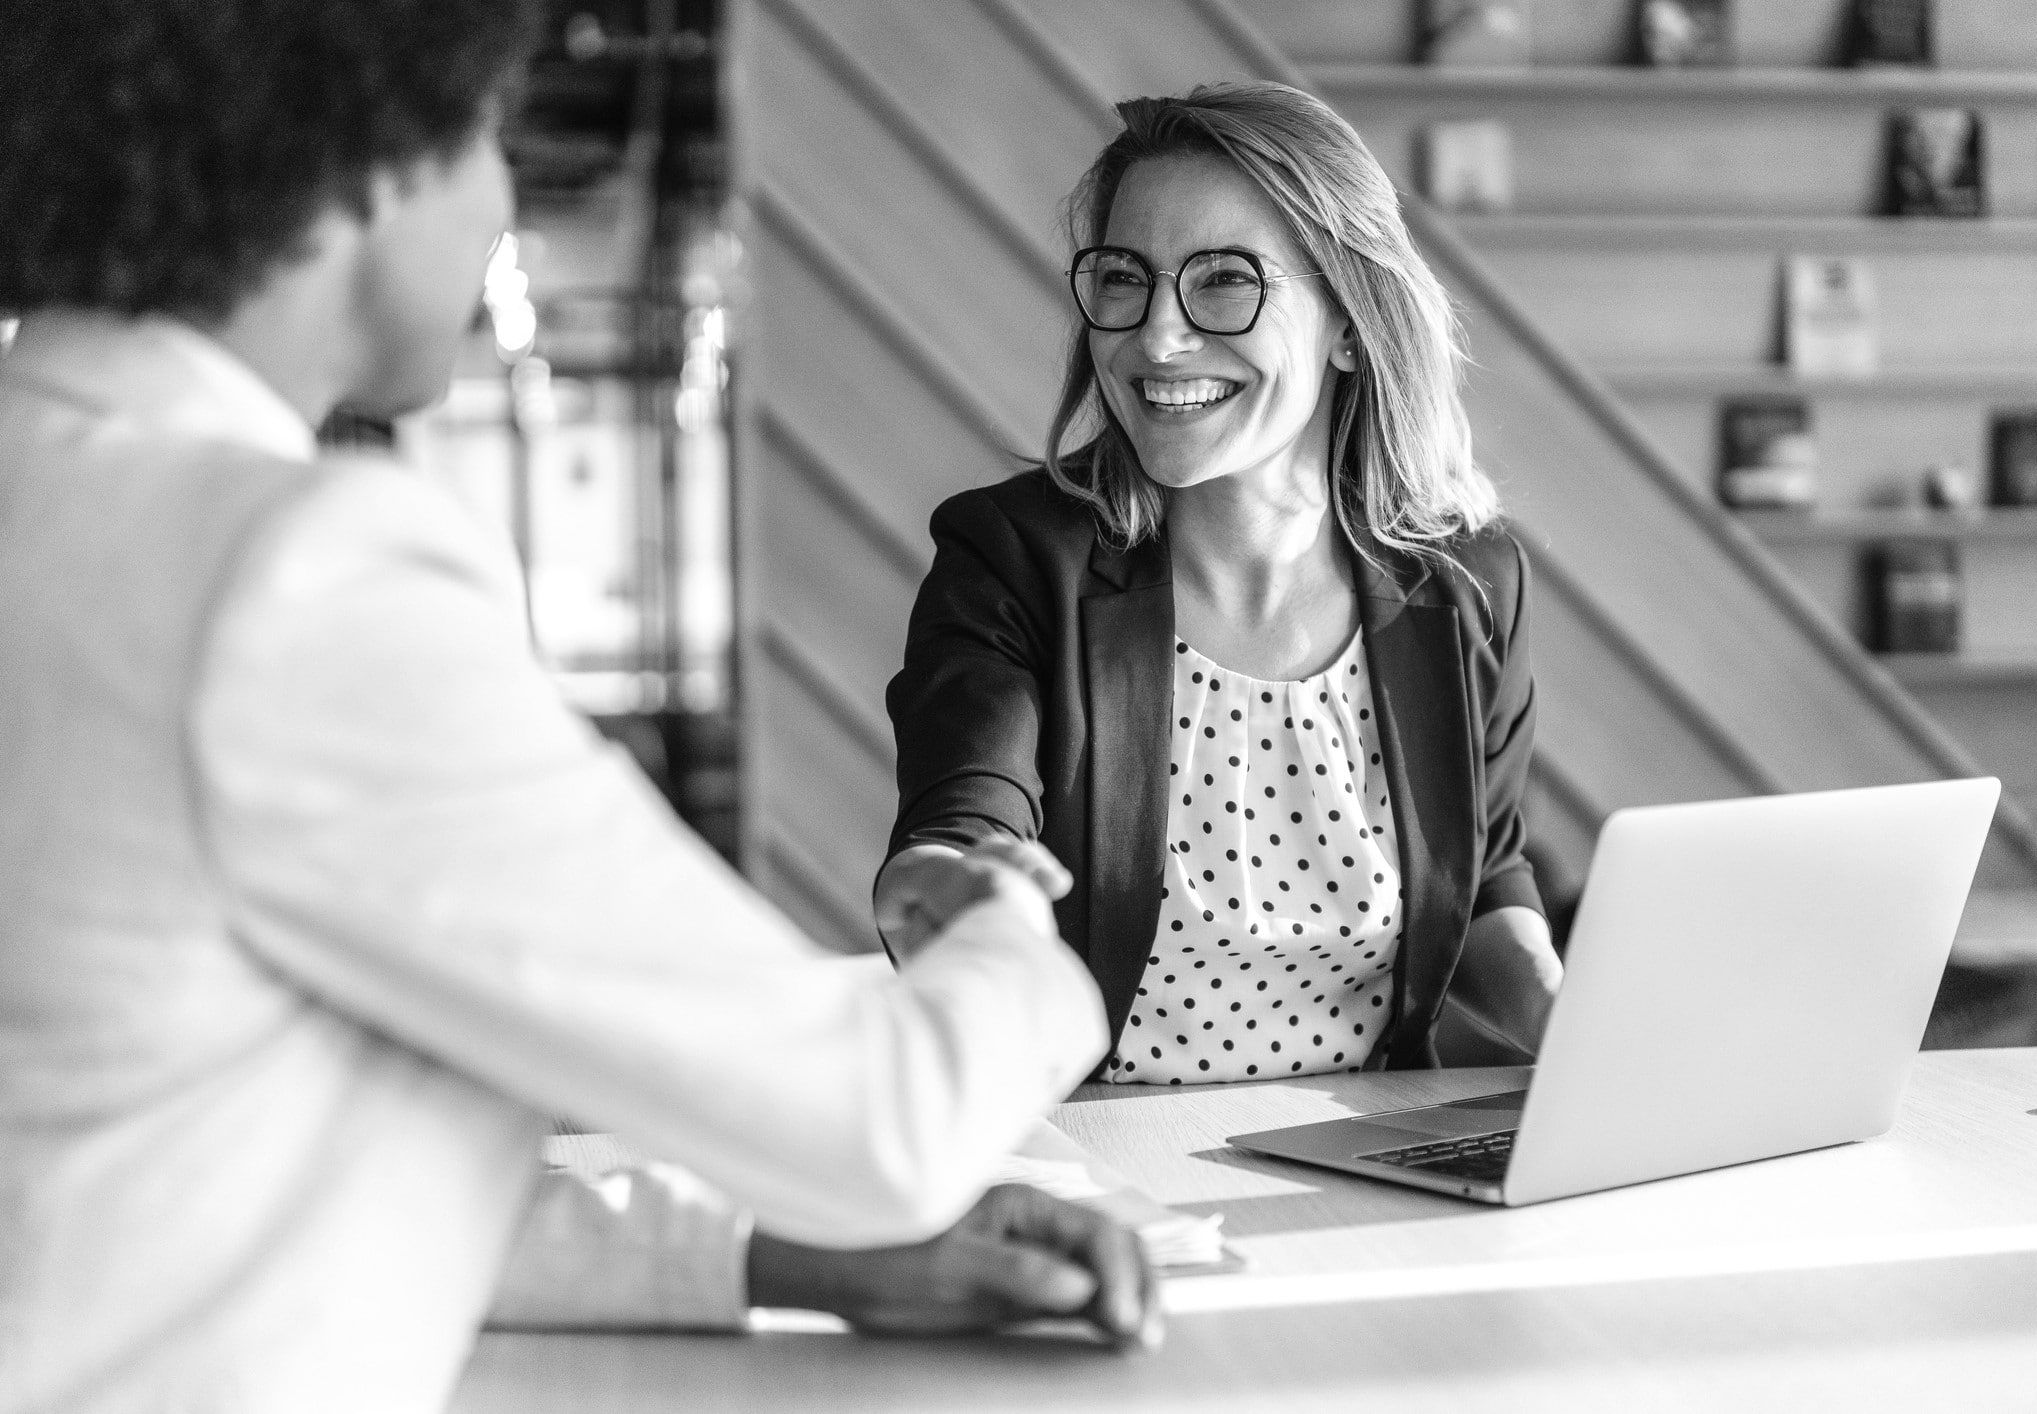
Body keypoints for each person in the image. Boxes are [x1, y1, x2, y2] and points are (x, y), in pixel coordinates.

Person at [0, 3, 1156, 1409]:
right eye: (488, 138)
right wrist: (1012, 933)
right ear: (368, 163)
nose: (499, 199)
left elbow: (159, 1183)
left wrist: (774, 1259)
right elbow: (885, 1121)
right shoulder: (289, 575)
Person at [878, 81, 1564, 1085]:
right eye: (1125, 280)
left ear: (1348, 322)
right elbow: (961, 821)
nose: (1157, 338)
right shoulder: (1014, 556)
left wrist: (1575, 1021)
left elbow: (1490, 873)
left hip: (1366, 1156)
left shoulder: (1470, 581)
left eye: (1226, 282)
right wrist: (954, 895)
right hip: (1098, 1159)